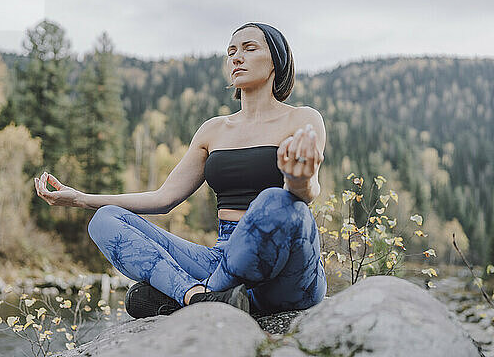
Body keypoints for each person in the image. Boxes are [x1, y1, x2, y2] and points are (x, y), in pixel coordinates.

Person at [34, 22, 327, 318]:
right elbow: (163, 199)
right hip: (222, 258)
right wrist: (81, 199)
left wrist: (298, 180)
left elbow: (308, 192)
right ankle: (195, 295)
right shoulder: (213, 130)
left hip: (286, 270)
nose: (237, 58)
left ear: (278, 60)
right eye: (231, 52)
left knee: (275, 200)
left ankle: (202, 293)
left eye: (249, 49)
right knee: (104, 219)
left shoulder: (302, 119)